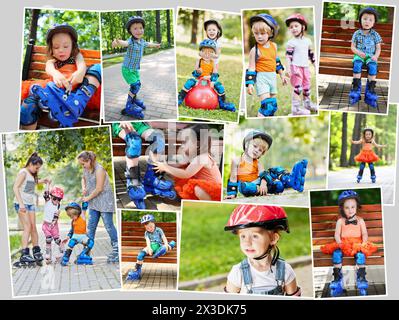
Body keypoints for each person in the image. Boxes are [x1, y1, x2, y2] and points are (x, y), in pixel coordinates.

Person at [20, 23, 102, 129]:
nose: (61, 50)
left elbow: (82, 66)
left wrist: (80, 72)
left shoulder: (77, 56)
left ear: (72, 46)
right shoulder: (52, 62)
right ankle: (28, 134)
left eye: (66, 46)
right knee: (28, 105)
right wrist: (55, 73)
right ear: (52, 49)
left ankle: (75, 104)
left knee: (98, 68)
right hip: (56, 89)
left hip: (77, 90)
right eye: (56, 47)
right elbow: (49, 69)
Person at [224, 204, 301, 296]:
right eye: (243, 236)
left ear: (273, 239)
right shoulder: (237, 273)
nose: (247, 243)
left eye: (255, 236)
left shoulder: (285, 270)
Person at [320, 190, 378, 296]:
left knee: (360, 256)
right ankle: (338, 279)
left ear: (357, 207)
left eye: (353, 207)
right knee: (336, 254)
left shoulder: (360, 221)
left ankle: (361, 279)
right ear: (342, 208)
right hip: (343, 243)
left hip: (357, 244)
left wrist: (364, 243)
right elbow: (337, 235)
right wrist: (340, 243)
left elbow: (364, 234)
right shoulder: (340, 221)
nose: (350, 210)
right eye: (347, 207)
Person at [112, 122, 176, 209]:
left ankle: (152, 178)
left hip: (140, 124)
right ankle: (133, 181)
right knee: (134, 141)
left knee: (158, 137)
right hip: (121, 125)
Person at [226, 130, 308, 199]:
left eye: (260, 150)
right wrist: (232, 194)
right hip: (248, 186)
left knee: (274, 172)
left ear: (261, 154)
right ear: (247, 145)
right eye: (254, 146)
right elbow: (233, 178)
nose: (257, 150)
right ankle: (261, 191)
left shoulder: (258, 163)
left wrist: (263, 184)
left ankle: (291, 181)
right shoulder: (236, 161)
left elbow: (263, 175)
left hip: (261, 183)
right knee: (244, 187)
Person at [153, 124, 222, 201]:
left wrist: (166, 168)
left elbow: (186, 174)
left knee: (197, 188)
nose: (182, 145)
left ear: (198, 144)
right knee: (180, 171)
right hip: (201, 182)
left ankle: (208, 203)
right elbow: (178, 164)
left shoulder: (202, 157)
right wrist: (165, 164)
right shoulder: (193, 154)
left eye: (185, 142)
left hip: (214, 191)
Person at [112, 16, 161, 119]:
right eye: (135, 28)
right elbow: (124, 43)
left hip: (135, 69)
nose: (139, 30)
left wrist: (156, 45)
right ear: (130, 31)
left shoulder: (142, 42)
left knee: (137, 85)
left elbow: (149, 44)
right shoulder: (130, 41)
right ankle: (129, 106)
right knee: (135, 86)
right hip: (127, 69)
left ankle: (134, 100)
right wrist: (117, 42)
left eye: (140, 28)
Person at [78, 151, 119, 263]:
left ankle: (117, 250)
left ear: (89, 161)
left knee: (108, 225)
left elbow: (99, 188)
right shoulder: (86, 169)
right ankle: (86, 251)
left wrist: (87, 198)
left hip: (104, 201)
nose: (83, 166)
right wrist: (84, 187)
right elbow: (83, 178)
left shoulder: (99, 169)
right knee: (91, 227)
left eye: (83, 164)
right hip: (94, 201)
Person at [245, 14, 288, 117]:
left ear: (270, 33)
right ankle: (260, 116)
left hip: (272, 77)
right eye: (256, 33)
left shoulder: (274, 46)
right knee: (266, 106)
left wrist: (282, 75)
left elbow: (276, 61)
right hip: (262, 78)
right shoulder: (254, 50)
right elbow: (251, 68)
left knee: (272, 106)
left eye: (263, 33)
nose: (259, 36)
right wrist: (250, 84)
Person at [13, 153, 50, 268]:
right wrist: (21, 204)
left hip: (30, 204)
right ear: (30, 164)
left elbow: (31, 183)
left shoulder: (31, 174)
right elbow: (15, 187)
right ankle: (24, 253)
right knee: (27, 227)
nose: (37, 169)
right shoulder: (23, 172)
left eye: (38, 168)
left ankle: (36, 251)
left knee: (34, 227)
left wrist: (43, 180)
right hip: (21, 204)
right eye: (36, 167)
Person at [177, 39, 235, 112]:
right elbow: (194, 74)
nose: (207, 54)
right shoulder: (199, 61)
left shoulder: (213, 62)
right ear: (200, 52)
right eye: (204, 51)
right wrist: (198, 72)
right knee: (189, 82)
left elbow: (215, 74)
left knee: (220, 86)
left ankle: (222, 103)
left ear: (214, 54)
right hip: (199, 80)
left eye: (210, 52)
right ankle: (180, 98)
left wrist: (211, 79)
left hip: (209, 81)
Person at [349, 7, 382, 107]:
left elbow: (378, 48)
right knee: (357, 65)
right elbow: (352, 47)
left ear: (374, 23)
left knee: (373, 67)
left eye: (370, 20)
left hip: (370, 57)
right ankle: (356, 90)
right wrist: (358, 53)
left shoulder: (375, 35)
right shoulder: (357, 33)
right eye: (365, 19)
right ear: (360, 20)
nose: (367, 21)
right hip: (359, 55)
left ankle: (370, 92)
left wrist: (376, 56)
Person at [285, 13, 317, 115]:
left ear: (303, 27)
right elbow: (288, 56)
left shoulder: (307, 41)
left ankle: (307, 104)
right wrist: (288, 68)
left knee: (306, 87)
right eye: (291, 27)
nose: (293, 28)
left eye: (296, 26)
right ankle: (295, 109)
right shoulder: (291, 42)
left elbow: (311, 55)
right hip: (295, 67)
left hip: (305, 68)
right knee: (298, 88)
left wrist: (316, 65)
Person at [126, 214, 176, 280]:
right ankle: (137, 272)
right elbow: (148, 241)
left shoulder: (159, 230)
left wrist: (166, 245)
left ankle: (164, 249)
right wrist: (149, 249)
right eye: (147, 228)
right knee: (140, 255)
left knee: (171, 244)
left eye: (151, 226)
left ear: (154, 223)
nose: (149, 229)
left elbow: (163, 237)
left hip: (158, 245)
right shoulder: (146, 233)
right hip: (151, 246)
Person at [42, 183, 65, 264]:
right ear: (51, 197)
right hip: (46, 225)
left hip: (54, 226)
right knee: (48, 239)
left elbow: (56, 217)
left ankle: (63, 252)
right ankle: (48, 256)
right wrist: (47, 184)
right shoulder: (47, 202)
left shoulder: (58, 207)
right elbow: (46, 193)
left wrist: (53, 222)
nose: (56, 201)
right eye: (55, 198)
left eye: (59, 199)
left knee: (57, 240)